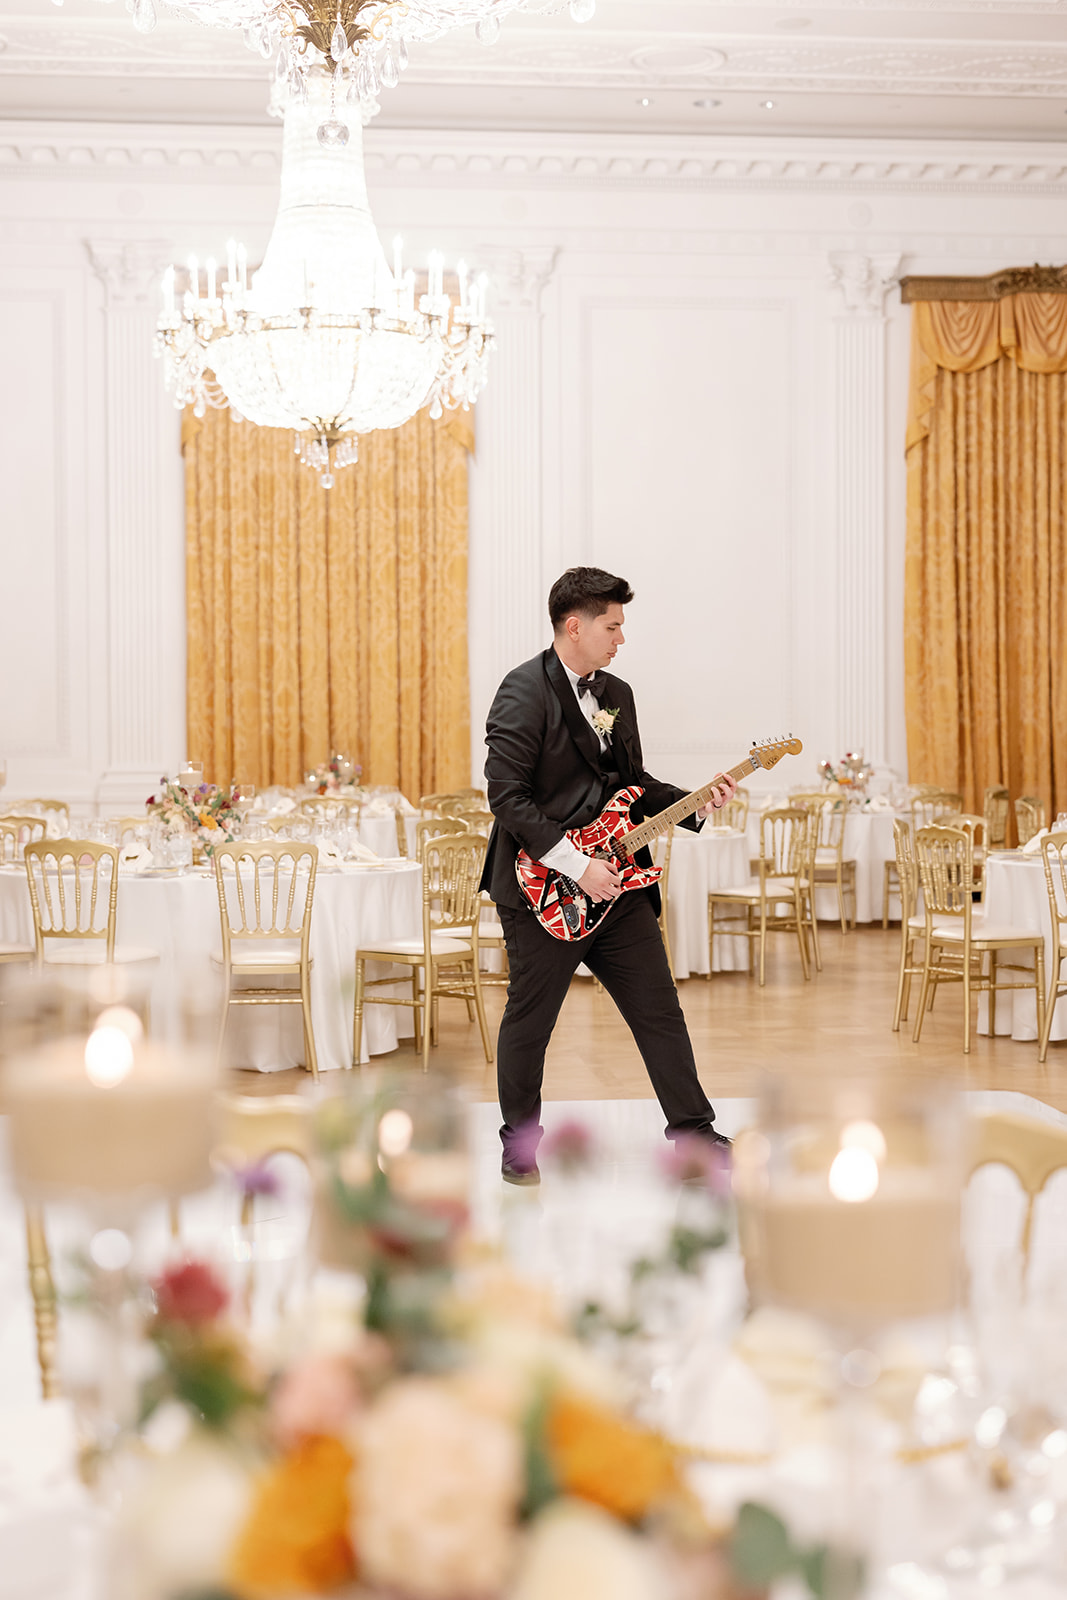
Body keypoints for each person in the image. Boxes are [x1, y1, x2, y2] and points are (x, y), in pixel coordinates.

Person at [480, 566, 736, 1185]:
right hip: (543, 886)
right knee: (529, 1024)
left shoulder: (616, 693)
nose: (621, 638)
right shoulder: (521, 690)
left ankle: (694, 1136)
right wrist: (576, 865)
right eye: (612, 625)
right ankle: (520, 1146)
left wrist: (695, 802)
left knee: (660, 1011)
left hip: (618, 885)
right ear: (575, 626)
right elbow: (507, 798)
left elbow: (631, 784)